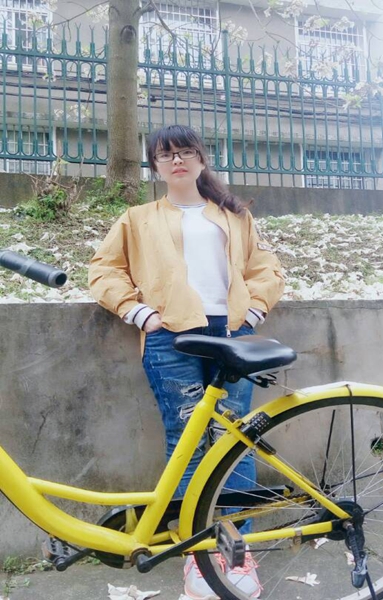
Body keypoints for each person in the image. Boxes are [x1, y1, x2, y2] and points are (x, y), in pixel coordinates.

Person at [89, 124, 285, 599]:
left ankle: (236, 551)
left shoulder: (233, 215)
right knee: (187, 441)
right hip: (171, 337)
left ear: (201, 159)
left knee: (234, 438)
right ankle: (196, 552)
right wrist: (140, 313)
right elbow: (104, 270)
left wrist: (253, 312)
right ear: (154, 165)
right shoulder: (137, 218)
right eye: (166, 154)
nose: (177, 160)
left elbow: (266, 269)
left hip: (231, 334)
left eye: (185, 152)